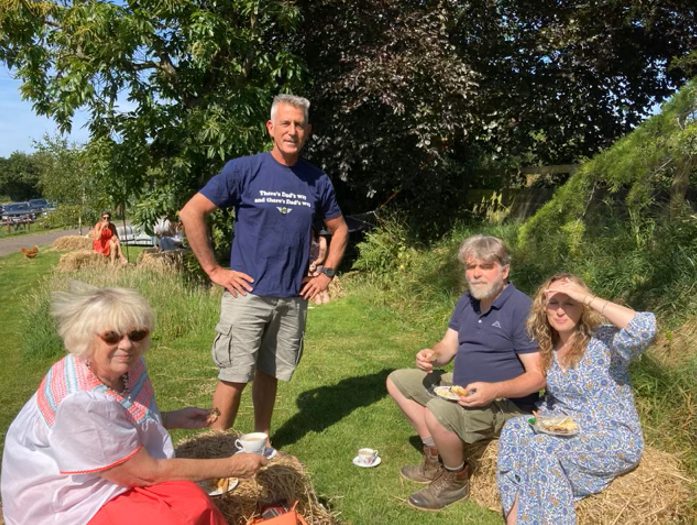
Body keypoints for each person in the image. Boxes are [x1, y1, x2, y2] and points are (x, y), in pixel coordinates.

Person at [1, 283, 266, 525]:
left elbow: (113, 425)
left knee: (192, 500)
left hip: (106, 472)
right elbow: (147, 473)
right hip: (64, 497)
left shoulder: (123, 367)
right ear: (85, 336)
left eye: (136, 334)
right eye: (112, 337)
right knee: (175, 518)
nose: (127, 345)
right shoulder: (81, 401)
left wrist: (170, 418)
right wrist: (234, 466)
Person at [179, 94, 349, 449]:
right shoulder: (245, 169)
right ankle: (215, 451)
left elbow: (341, 229)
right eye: (285, 123)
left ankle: (261, 440)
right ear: (271, 128)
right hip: (248, 294)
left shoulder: (316, 180)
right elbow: (191, 212)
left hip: (291, 298)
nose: (292, 131)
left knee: (269, 373)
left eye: (299, 124)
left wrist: (326, 274)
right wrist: (213, 269)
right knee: (234, 375)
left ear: (308, 130)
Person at [386, 235, 545, 511]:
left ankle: (456, 477)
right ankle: (434, 456)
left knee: (438, 409)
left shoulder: (521, 309)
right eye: (470, 267)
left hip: (505, 403)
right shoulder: (468, 301)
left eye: (484, 267)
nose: (475, 274)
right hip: (460, 385)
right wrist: (433, 355)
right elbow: (448, 345)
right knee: (397, 381)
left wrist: (494, 390)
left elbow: (539, 375)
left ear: (504, 271)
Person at [497, 274, 656, 525]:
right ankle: (516, 517)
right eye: (554, 303)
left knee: (541, 449)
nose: (560, 311)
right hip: (569, 430)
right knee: (515, 429)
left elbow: (644, 328)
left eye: (569, 303)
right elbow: (559, 397)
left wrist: (585, 297)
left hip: (612, 435)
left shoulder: (604, 340)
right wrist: (544, 412)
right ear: (544, 308)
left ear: (582, 307)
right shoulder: (548, 346)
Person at [308, 225, 330, 305]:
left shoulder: (321, 238)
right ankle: (320, 303)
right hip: (311, 265)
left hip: (318, 264)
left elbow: (322, 254)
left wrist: (314, 263)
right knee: (315, 287)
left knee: (322, 289)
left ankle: (323, 302)